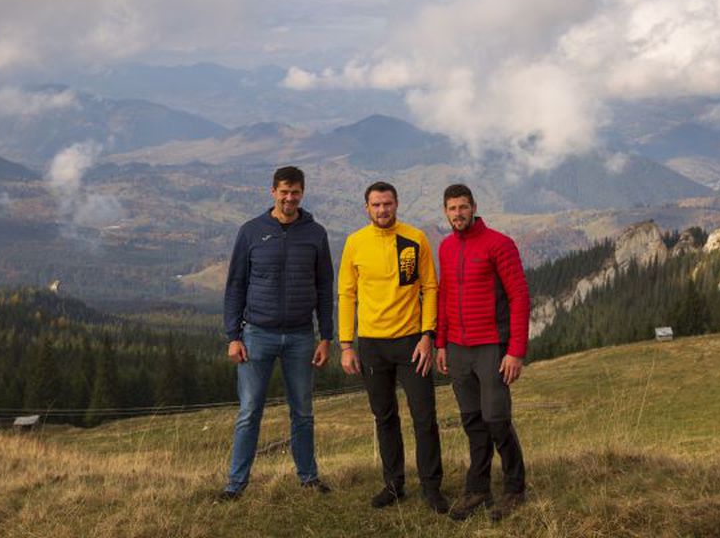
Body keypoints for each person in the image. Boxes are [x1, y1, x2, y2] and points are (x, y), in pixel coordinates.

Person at [220, 166, 335, 499]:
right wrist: (233, 336)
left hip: (301, 335)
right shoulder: (251, 232)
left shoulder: (316, 234)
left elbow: (324, 286)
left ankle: (308, 478)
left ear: (302, 193)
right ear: (273, 192)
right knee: (249, 412)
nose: (289, 198)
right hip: (257, 334)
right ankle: (235, 485)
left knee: (303, 412)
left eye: (295, 192)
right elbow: (235, 285)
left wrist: (325, 337)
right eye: (284, 191)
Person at [339, 181, 448, 513]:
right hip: (372, 345)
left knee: (424, 417)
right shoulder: (355, 242)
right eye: (376, 205)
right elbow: (347, 294)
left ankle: (431, 488)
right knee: (384, 417)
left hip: (412, 342)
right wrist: (346, 344)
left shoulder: (414, 239)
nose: (382, 209)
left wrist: (428, 336)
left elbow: (430, 287)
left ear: (397, 204)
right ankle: (393, 485)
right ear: (367, 208)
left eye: (387, 203)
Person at [435, 183, 530, 522]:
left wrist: (515, 351)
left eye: (463, 207)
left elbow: (519, 297)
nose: (458, 213)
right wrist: (441, 343)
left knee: (496, 419)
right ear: (445, 212)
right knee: (473, 422)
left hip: (491, 346)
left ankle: (515, 488)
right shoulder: (446, 247)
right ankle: (478, 489)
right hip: (458, 348)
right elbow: (444, 296)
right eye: (452, 208)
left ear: (474, 207)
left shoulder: (499, 244)